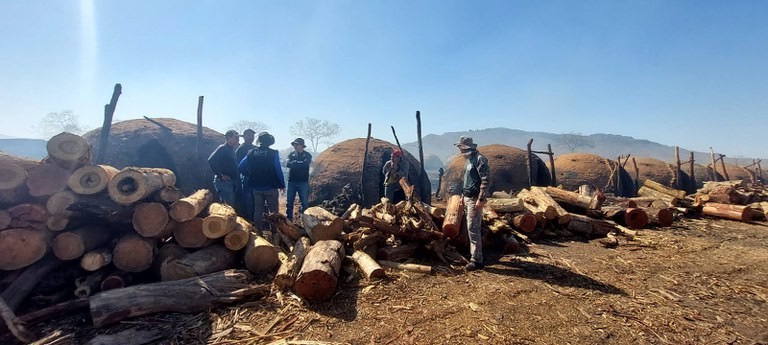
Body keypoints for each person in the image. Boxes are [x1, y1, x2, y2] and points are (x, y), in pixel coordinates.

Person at [238, 131, 285, 233]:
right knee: (274, 211)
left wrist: (250, 175)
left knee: (258, 210)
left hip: (256, 187)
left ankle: (258, 231)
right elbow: (278, 169)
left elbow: (241, 167)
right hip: (270, 187)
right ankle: (274, 232)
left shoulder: (251, 152)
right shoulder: (273, 153)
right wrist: (282, 184)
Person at [455, 136, 490, 271]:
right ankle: (474, 253)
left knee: (473, 227)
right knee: (470, 227)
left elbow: (485, 180)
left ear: (465, 147)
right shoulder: (468, 160)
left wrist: (481, 199)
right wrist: (463, 196)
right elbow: (467, 180)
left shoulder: (480, 159)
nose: (459, 149)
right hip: (468, 196)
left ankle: (477, 260)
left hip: (475, 198)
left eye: (460, 147)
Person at [207, 130, 240, 205]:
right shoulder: (222, 148)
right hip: (224, 182)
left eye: (238, 138)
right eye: (235, 138)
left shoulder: (231, 150)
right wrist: (220, 175)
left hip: (232, 181)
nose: (237, 140)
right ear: (228, 137)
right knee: (227, 206)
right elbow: (211, 160)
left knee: (230, 204)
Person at [285, 138, 312, 221]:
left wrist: (295, 163)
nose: (295, 146)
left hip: (303, 182)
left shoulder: (307, 155)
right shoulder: (291, 154)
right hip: (292, 181)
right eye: (294, 145)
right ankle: (289, 220)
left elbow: (305, 164)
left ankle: (304, 220)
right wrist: (298, 164)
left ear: (302, 146)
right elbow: (288, 164)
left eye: (297, 144)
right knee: (289, 202)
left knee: (304, 202)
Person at [235, 129, 256, 220]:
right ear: (244, 136)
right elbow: (238, 164)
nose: (251, 137)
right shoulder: (241, 149)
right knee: (247, 197)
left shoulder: (255, 148)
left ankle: (254, 217)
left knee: (255, 198)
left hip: (255, 176)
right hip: (245, 176)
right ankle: (247, 218)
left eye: (252, 136)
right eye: (249, 135)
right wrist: (247, 173)